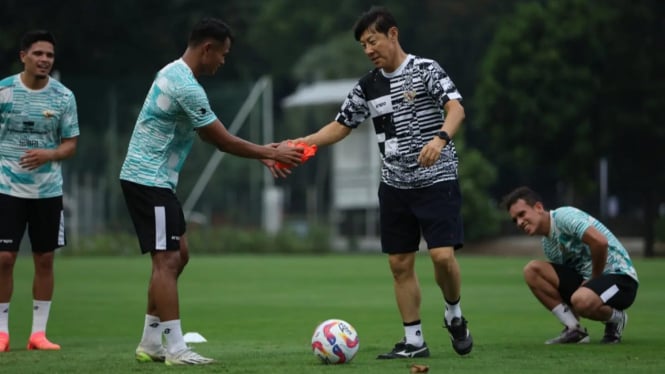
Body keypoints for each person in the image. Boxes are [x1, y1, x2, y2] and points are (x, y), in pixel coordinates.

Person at [290, 6, 472, 358]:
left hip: (437, 179)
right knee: (399, 264)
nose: (368, 50)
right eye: (362, 45)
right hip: (394, 185)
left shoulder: (425, 70)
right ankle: (414, 341)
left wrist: (439, 140)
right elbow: (340, 126)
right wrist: (299, 144)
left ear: (393, 34)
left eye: (372, 41)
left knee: (442, 257)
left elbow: (456, 108)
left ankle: (454, 313)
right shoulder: (367, 86)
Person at [119, 18, 302, 366]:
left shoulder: (176, 74)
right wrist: (270, 152)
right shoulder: (184, 84)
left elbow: (207, 136)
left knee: (179, 254)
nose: (223, 61)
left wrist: (264, 155)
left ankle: (150, 341)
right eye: (223, 54)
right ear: (207, 49)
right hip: (147, 180)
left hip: (156, 181)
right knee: (167, 261)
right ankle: (175, 348)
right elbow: (221, 140)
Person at [0, 30, 79, 352]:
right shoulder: (4, 92)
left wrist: (50, 154)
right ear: (23, 56)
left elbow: (71, 143)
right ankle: (2, 332)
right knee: (4, 258)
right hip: (6, 188)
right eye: (38, 54)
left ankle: (38, 334)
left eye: (49, 55)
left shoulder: (63, 97)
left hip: (47, 191)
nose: (44, 60)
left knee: (44, 258)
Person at [501, 186, 639, 344]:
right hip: (590, 282)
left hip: (621, 279)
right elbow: (567, 286)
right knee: (532, 270)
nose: (519, 222)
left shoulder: (563, 216)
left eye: (521, 214)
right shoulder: (548, 245)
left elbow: (600, 243)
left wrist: (593, 279)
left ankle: (617, 318)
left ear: (538, 207)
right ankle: (574, 329)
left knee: (582, 300)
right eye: (514, 220)